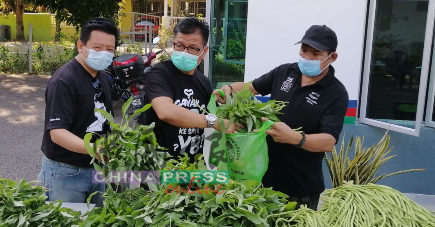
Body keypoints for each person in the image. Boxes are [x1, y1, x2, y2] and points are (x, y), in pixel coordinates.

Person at [214, 25, 349, 210]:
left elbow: (328, 141)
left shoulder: (336, 93)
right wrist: (229, 90)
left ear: (331, 57)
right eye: (304, 50)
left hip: (300, 188)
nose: (307, 57)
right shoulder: (285, 72)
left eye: (316, 54)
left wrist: (294, 138)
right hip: (263, 177)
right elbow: (249, 88)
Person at [38, 17, 119, 208]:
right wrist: (96, 149)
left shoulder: (102, 77)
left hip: (98, 169)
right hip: (66, 172)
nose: (104, 54)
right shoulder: (64, 81)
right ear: (80, 45)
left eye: (110, 50)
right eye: (97, 47)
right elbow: (57, 133)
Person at [144, 17, 238, 162]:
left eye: (193, 48)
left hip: (192, 169)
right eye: (179, 45)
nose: (185, 52)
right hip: (159, 168)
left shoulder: (203, 82)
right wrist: (215, 121)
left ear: (204, 51)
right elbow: (165, 112)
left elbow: (208, 129)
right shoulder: (159, 74)